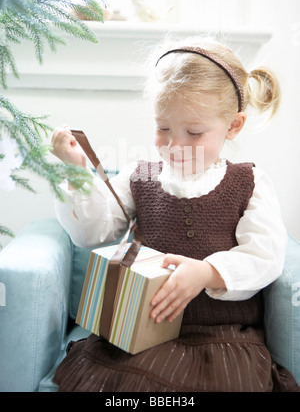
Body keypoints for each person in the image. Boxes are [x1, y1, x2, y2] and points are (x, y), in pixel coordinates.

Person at [51, 37, 299, 392]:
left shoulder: (249, 181)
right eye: (163, 128)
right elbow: (92, 233)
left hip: (220, 340)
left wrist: (207, 272)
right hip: (140, 331)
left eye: (194, 132)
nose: (174, 145)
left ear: (233, 126)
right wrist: (76, 172)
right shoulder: (140, 176)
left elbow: (266, 255)